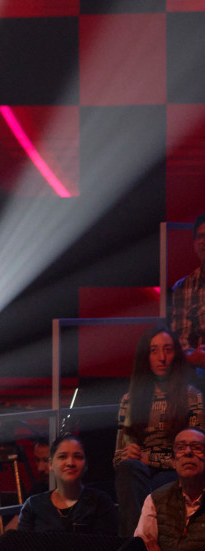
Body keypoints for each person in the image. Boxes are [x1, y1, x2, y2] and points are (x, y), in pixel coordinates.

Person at [114, 326, 205, 536]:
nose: (162, 358)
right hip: (140, 471)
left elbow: (197, 454)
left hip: (176, 470)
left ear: (176, 355)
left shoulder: (192, 397)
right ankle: (137, 542)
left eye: (168, 350)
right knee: (128, 469)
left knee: (161, 483)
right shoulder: (129, 400)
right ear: (145, 356)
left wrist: (151, 459)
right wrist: (128, 454)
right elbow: (117, 458)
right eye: (154, 351)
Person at [17, 434, 118, 535]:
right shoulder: (33, 505)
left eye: (77, 457)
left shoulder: (100, 503)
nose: (70, 463)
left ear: (86, 464)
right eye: (62, 457)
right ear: (51, 464)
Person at [134, 427, 205, 550]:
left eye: (197, 448)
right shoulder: (155, 500)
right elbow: (144, 545)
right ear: (173, 462)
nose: (188, 452)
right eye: (180, 448)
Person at [170, 213, 205, 373]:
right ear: (194, 245)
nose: (204, 241)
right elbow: (180, 340)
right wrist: (192, 357)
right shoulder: (184, 287)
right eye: (201, 236)